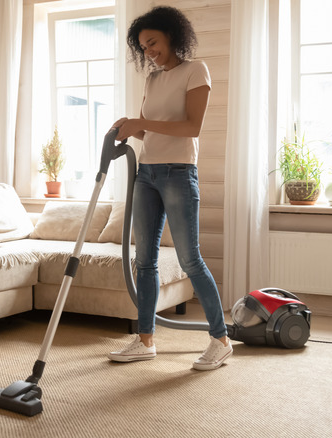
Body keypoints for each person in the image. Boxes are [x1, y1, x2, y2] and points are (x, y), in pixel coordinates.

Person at [107, 6, 231, 371]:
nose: (149, 51)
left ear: (171, 36)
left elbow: (191, 127)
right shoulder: (152, 80)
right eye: (143, 47)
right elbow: (152, 129)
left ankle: (221, 340)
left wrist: (142, 121)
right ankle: (145, 340)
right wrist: (131, 128)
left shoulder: (196, 71)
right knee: (144, 260)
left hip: (179, 173)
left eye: (153, 42)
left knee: (190, 259)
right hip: (146, 174)